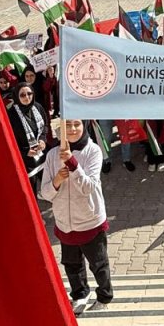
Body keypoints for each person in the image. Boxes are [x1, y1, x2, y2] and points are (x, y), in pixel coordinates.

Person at [39, 119, 112, 315]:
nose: (72, 130)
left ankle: (104, 295)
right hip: (65, 222)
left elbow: (89, 187)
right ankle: (80, 294)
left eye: (77, 125)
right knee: (71, 264)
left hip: (90, 220)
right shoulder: (53, 154)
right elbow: (45, 193)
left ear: (84, 125)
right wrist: (57, 180)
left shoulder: (93, 151)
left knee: (98, 263)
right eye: (68, 125)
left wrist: (72, 163)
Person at [7, 83, 49, 181]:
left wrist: (42, 140)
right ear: (17, 96)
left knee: (46, 186)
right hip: (24, 159)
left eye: (29, 93)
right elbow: (8, 139)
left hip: (41, 154)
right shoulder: (11, 114)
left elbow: (45, 126)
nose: (27, 97)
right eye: (22, 95)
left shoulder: (38, 107)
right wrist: (24, 152)